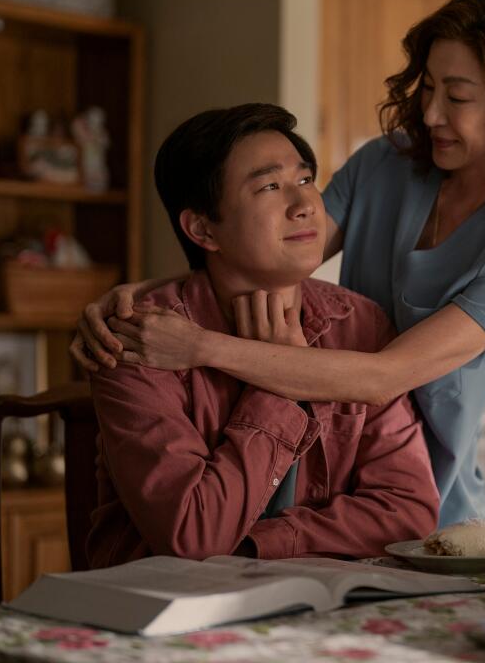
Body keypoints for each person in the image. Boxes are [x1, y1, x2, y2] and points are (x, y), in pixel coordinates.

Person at [74, 0, 485, 527]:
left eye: (458, 97)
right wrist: (148, 297)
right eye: (429, 87)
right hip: (325, 475)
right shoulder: (386, 164)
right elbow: (271, 250)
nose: (432, 112)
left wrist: (200, 346)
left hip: (425, 511)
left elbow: (382, 378)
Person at [87, 104, 439, 567]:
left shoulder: (359, 325)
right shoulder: (141, 342)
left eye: (306, 180)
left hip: (319, 612)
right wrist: (279, 391)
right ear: (202, 229)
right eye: (270, 186)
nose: (305, 205)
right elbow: (193, 535)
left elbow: (409, 513)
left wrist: (257, 545)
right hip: (172, 618)